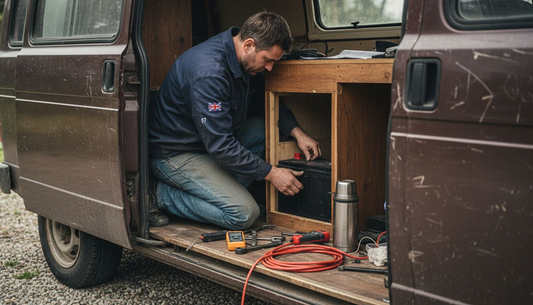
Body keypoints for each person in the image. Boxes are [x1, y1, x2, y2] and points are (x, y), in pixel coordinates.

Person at [148, 11, 321, 229]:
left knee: (268, 128)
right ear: (248, 44)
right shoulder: (209, 73)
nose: (270, 68)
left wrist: (297, 131)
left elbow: (263, 102)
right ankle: (159, 194)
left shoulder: (244, 60)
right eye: (267, 60)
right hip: (177, 153)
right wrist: (272, 173)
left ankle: (220, 190)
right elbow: (220, 145)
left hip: (208, 143)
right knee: (243, 213)